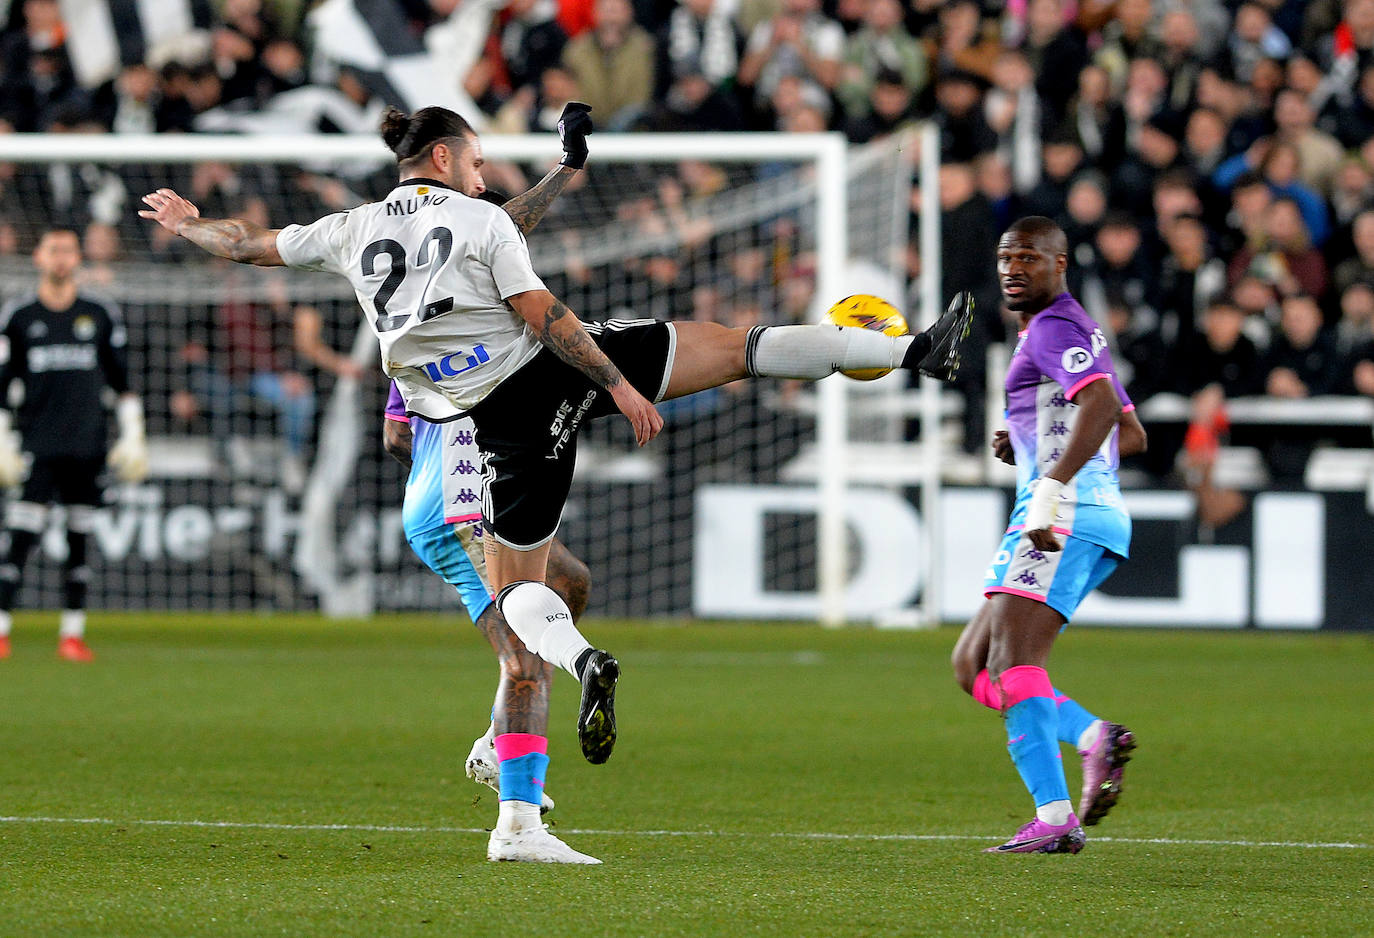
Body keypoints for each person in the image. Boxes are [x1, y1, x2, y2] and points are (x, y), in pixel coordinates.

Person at [139, 102, 973, 862]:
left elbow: (249, 245)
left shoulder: (353, 228)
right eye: (475, 161)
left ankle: (547, 738)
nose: (482, 173)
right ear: (443, 153)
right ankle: (910, 353)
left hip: (494, 422)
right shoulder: (477, 221)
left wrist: (187, 226)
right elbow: (543, 311)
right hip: (542, 381)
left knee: (535, 588)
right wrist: (616, 384)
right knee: (731, 348)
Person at [950, 216, 1147, 854]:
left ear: (1059, 265)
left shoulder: (1057, 325)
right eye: (1007, 256)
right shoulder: (1070, 331)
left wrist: (1053, 482)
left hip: (1063, 513)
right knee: (973, 665)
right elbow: (1130, 431)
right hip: (1085, 510)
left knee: (1012, 665)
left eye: (1030, 258)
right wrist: (1034, 431)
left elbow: (1096, 407)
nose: (1013, 267)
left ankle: (1056, 817)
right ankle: (1091, 737)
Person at [0, 228, 148, 661]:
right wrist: (2, 442)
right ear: (39, 258)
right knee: (20, 538)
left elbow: (122, 382)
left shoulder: (100, 314)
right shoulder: (19, 316)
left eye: (68, 250)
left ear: (78, 258)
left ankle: (72, 635)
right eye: (53, 250)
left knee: (79, 539)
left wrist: (134, 433)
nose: (61, 258)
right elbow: (2, 387)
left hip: (88, 445)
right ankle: (3, 630)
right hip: (37, 445)